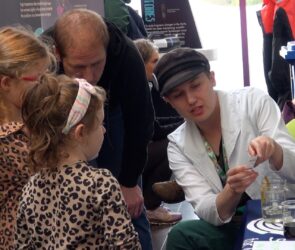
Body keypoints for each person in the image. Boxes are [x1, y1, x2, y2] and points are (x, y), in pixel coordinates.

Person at [153, 47, 295, 250]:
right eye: (178, 95)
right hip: (232, 226)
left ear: (212, 78)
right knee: (180, 236)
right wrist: (231, 190)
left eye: (196, 85)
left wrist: (275, 150)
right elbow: (206, 210)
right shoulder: (178, 144)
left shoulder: (253, 102)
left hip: (282, 217)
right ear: (168, 101)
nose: (191, 100)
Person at [48, 9, 154, 249]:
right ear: (58, 54)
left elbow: (141, 121)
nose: (90, 76)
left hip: (113, 114)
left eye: (97, 64)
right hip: (62, 126)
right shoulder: (46, 58)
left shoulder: (126, 53)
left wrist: (128, 183)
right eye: (79, 67)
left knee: (130, 209)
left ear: (107, 50)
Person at [15, 75, 141, 249]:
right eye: (100, 124)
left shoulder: (32, 186)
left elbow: (22, 245)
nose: (104, 130)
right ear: (80, 132)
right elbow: (126, 245)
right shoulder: (100, 183)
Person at [0, 26, 55, 250]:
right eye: (39, 79)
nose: (46, 86)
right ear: (6, 83)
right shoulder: (8, 139)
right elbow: (53, 176)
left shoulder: (25, 124)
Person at [134, 38, 183, 225]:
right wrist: (184, 124)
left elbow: (153, 124)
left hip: (136, 150)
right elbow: (154, 131)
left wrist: (182, 120)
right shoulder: (137, 89)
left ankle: (150, 205)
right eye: (154, 61)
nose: (159, 65)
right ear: (140, 62)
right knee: (173, 144)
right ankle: (151, 207)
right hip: (129, 158)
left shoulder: (145, 85)